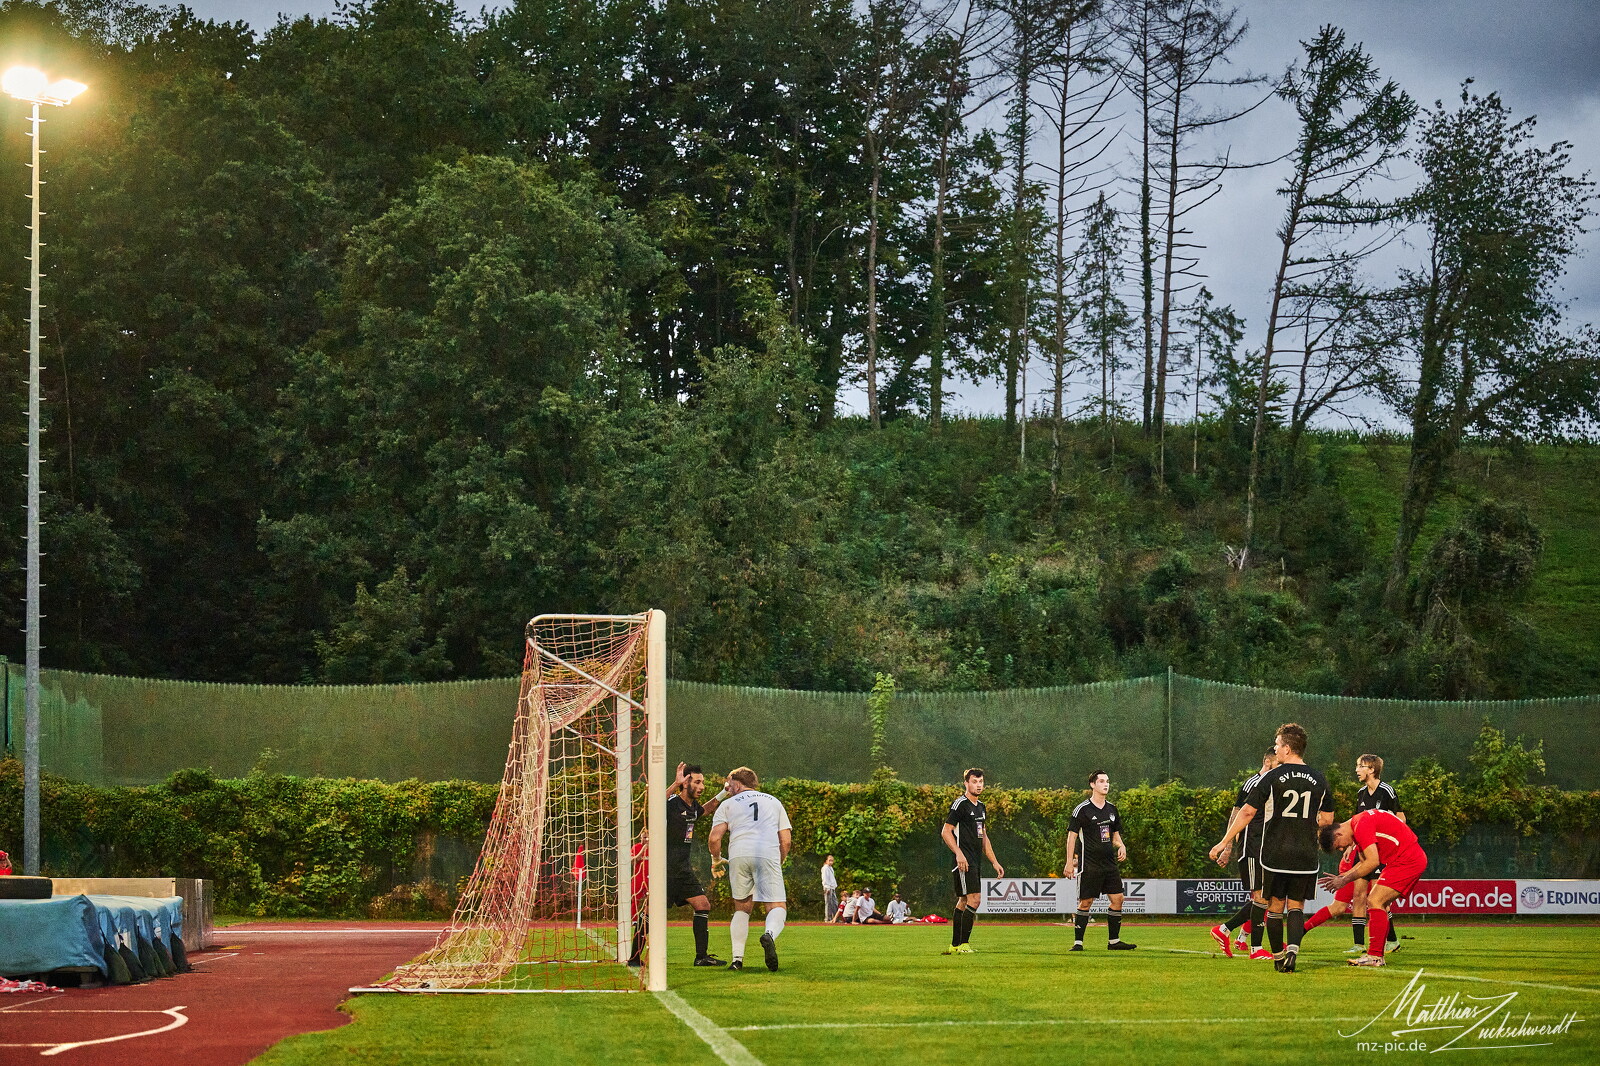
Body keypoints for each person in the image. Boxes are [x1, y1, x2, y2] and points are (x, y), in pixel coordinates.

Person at [1209, 723, 1333, 973]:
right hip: (1306, 854)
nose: (1275, 749)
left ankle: (1278, 958)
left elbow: (1247, 811)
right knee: (1296, 905)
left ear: (1287, 748)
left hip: (1275, 853)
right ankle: (1293, 951)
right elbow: (1328, 820)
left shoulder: (1272, 776)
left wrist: (1224, 841)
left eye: (1277, 745)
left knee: (1275, 905)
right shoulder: (1319, 778)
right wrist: (1306, 822)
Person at [627, 761, 727, 967]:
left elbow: (705, 810)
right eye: (697, 782)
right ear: (686, 782)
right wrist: (674, 784)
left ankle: (701, 957)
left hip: (682, 870)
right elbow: (654, 804)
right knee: (649, 913)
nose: (701, 787)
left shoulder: (692, 808)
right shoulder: (672, 803)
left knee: (702, 905)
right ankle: (634, 958)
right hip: (665, 870)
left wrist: (724, 793)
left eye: (702, 783)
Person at [1319, 809, 1428, 968]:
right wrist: (1342, 878)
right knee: (1376, 901)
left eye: (1338, 847)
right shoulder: (1359, 823)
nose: (1342, 849)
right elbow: (1363, 863)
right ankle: (1377, 954)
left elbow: (1372, 862)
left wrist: (1344, 880)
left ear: (1338, 835)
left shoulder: (1361, 825)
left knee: (1375, 900)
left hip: (1407, 859)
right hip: (1404, 858)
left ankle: (1376, 956)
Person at [708, 766, 792, 972]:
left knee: (742, 907)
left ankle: (737, 960)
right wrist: (778, 860)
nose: (727, 788)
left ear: (737, 783)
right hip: (767, 853)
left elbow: (714, 838)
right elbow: (786, 840)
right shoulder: (774, 802)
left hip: (738, 853)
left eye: (729, 783)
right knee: (776, 905)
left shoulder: (727, 805)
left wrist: (716, 859)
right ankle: (769, 934)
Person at [1209, 748, 1277, 960]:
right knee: (1260, 896)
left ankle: (1227, 931)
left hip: (1263, 847)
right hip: (1251, 845)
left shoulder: (1273, 785)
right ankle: (1253, 947)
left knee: (1265, 897)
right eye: (1278, 761)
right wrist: (1227, 846)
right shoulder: (1254, 783)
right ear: (1268, 760)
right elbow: (1238, 813)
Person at [1063, 770, 1136, 952]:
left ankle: (1114, 941)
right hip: (1089, 863)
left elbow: (1115, 836)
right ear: (1092, 785)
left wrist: (1121, 846)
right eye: (1102, 781)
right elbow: (1071, 837)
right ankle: (1078, 943)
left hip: (1109, 863)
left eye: (1107, 781)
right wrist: (1068, 862)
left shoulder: (1112, 809)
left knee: (1118, 899)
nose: (1106, 784)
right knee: (1086, 902)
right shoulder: (1082, 810)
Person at [941, 767, 1005, 955]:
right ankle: (964, 945)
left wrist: (994, 862)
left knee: (963, 901)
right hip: (964, 861)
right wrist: (959, 854)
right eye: (974, 782)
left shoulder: (981, 807)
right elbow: (946, 831)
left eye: (981, 782)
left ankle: (954, 945)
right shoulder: (960, 804)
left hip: (975, 860)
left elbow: (983, 836)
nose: (978, 785)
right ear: (966, 783)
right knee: (974, 900)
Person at [1351, 754, 1406, 953]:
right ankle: (1358, 944)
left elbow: (1401, 819)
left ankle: (1391, 941)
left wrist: (1393, 842)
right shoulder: (1361, 793)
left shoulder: (1386, 791)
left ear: (1371, 769)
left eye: (1360, 766)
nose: (1356, 769)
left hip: (1381, 854)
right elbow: (1356, 823)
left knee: (1377, 898)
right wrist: (1351, 846)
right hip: (1364, 851)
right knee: (1358, 895)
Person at [821, 854, 840, 923]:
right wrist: (827, 888)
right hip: (828, 888)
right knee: (828, 903)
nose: (831, 862)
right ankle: (827, 918)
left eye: (832, 860)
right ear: (826, 861)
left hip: (832, 887)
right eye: (830, 860)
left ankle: (835, 918)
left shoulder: (830, 868)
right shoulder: (825, 868)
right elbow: (825, 879)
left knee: (835, 903)